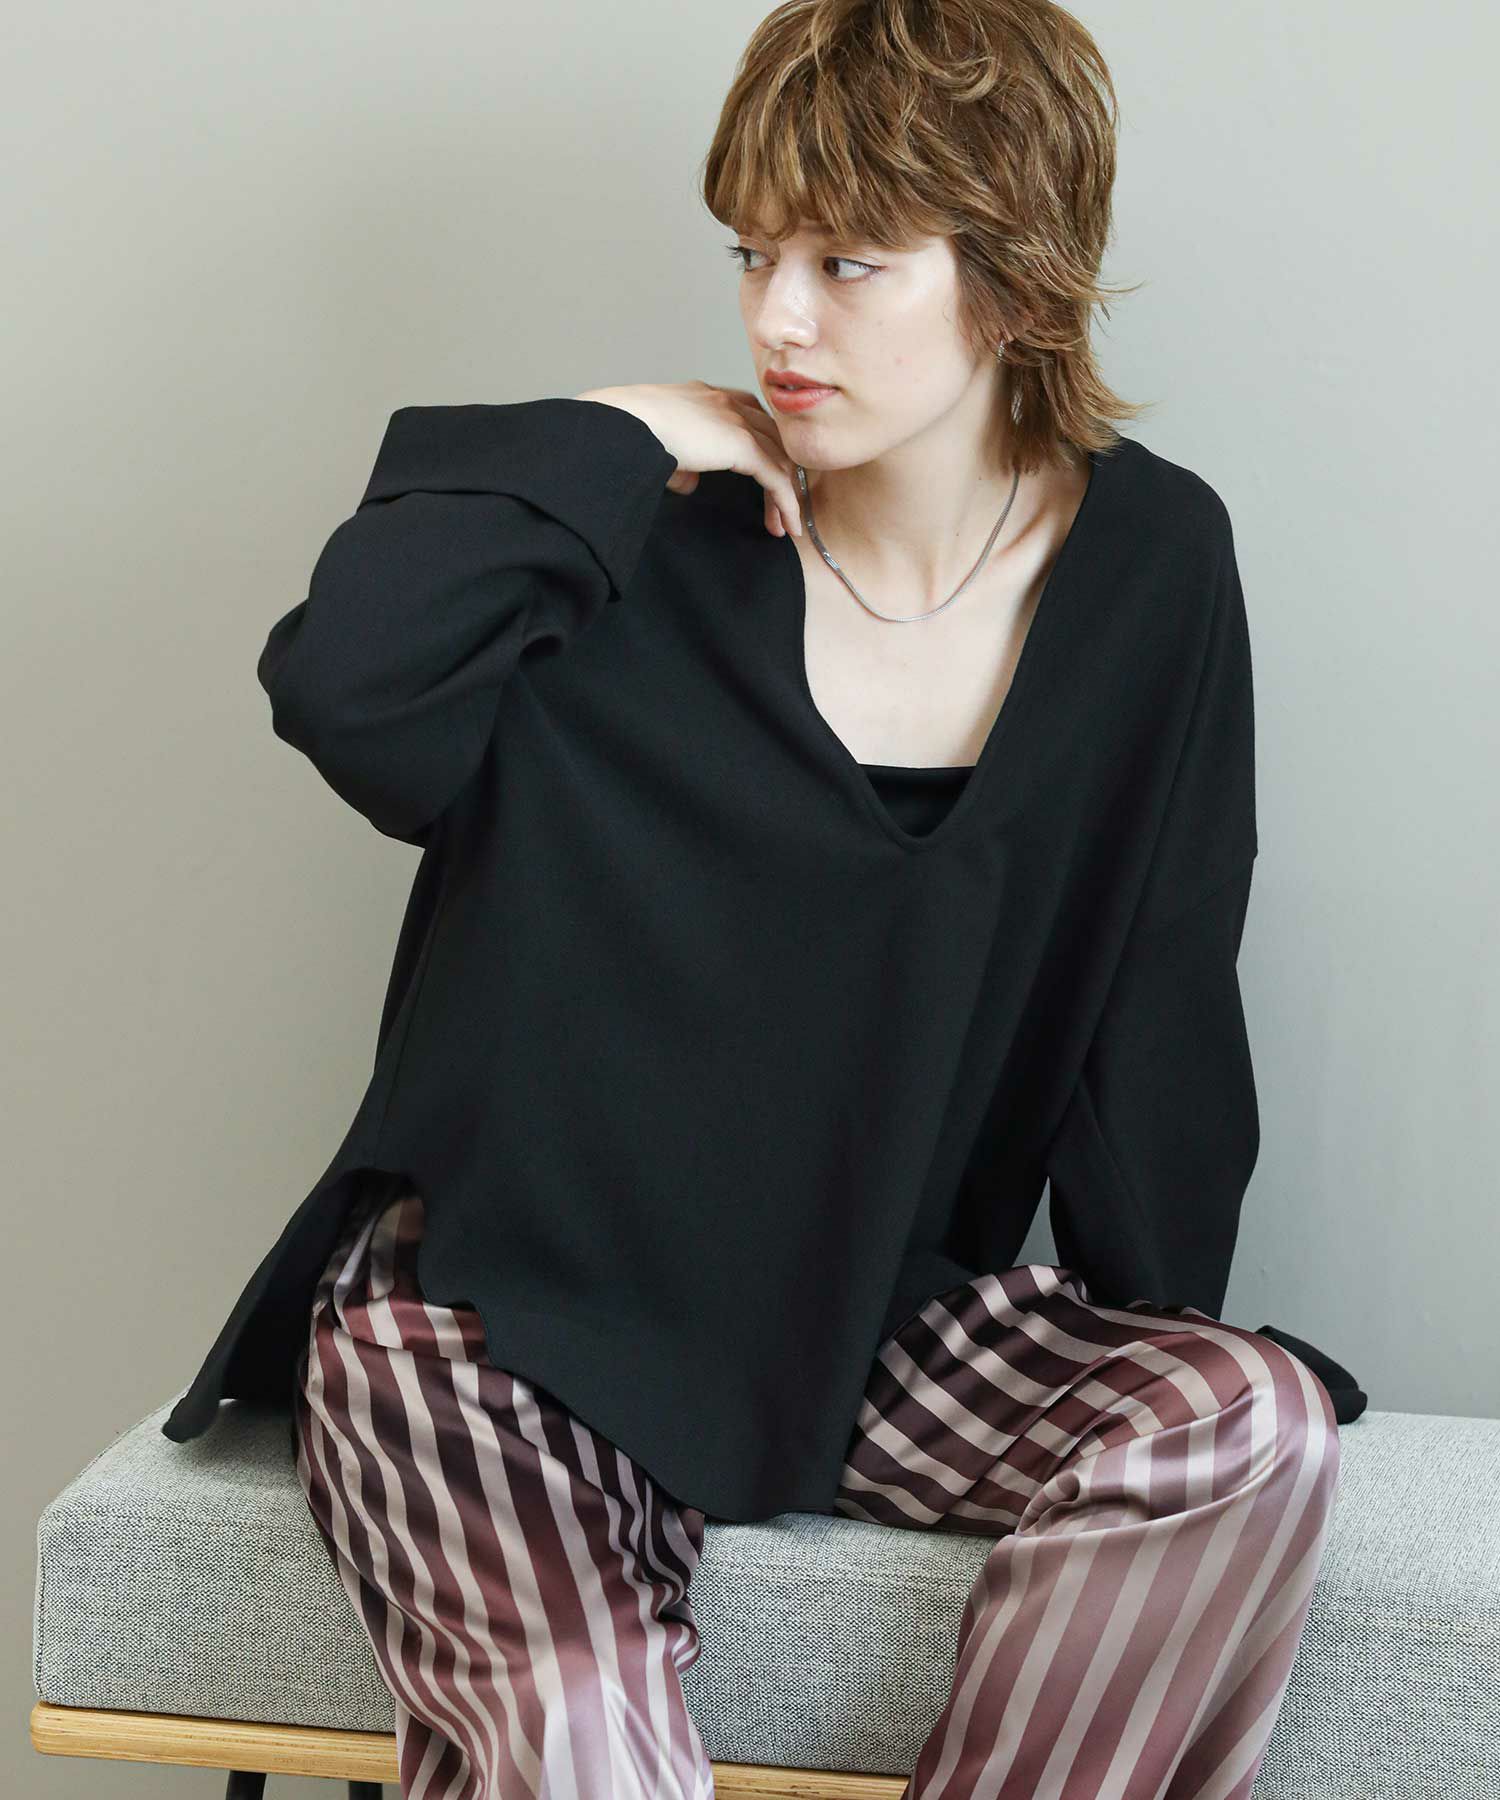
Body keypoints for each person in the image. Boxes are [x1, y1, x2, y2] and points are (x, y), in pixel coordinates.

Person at [167, 2, 1365, 1795]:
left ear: (1014, 277)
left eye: (849, 263)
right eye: (753, 255)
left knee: (1246, 1424)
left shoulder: (1154, 568)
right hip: (496, 1318)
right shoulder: (631, 539)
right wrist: (621, 428)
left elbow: (1160, 994)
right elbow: (353, 694)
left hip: (862, 1313)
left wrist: (1155, 1328)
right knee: (580, 1729)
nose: (778, 319)